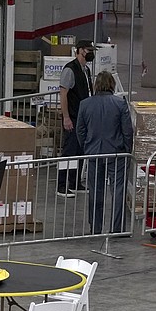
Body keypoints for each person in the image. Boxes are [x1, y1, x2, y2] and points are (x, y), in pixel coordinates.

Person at [76, 71, 133, 234]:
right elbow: (127, 131)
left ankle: (95, 227)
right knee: (118, 191)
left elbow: (80, 130)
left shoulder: (85, 104)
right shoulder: (120, 103)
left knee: (95, 192)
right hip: (116, 153)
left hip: (94, 153)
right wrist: (127, 150)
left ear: (96, 85)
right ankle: (117, 229)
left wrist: (86, 147)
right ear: (112, 85)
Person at [57, 39, 95, 198]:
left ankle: (74, 182)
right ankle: (61, 185)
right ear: (79, 50)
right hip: (72, 116)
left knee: (80, 150)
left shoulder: (85, 69)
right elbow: (63, 94)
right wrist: (66, 117)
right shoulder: (70, 70)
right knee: (69, 152)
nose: (91, 53)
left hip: (83, 118)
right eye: (88, 50)